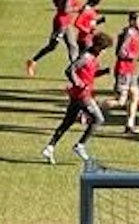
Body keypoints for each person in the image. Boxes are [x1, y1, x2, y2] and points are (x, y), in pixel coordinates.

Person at [43, 31, 111, 164]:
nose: (104, 52)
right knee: (98, 119)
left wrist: (103, 72)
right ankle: (80, 146)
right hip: (82, 95)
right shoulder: (86, 57)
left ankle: (49, 148)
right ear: (98, 47)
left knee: (67, 122)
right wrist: (77, 82)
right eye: (103, 49)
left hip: (77, 95)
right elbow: (70, 70)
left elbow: (91, 74)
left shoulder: (93, 57)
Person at [25, 0, 83, 76]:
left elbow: (55, 0)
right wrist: (77, 9)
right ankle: (32, 61)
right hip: (62, 23)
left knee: (73, 46)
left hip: (65, 22)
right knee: (52, 46)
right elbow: (66, 9)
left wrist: (61, 8)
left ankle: (75, 71)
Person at [111, 11, 139, 135]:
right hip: (123, 70)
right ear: (131, 21)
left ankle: (129, 126)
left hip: (131, 71)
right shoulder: (129, 33)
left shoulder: (136, 33)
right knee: (121, 101)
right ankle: (90, 109)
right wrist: (135, 56)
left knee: (135, 96)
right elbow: (120, 52)